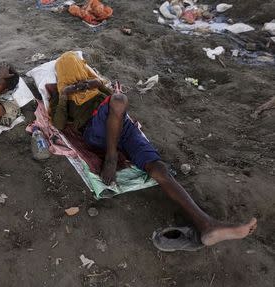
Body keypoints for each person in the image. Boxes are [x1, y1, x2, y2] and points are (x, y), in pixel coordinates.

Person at [46, 52, 257, 246]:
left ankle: (206, 225)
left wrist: (93, 83)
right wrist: (64, 95)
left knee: (160, 169)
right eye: (71, 69)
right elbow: (58, 123)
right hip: (95, 131)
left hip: (123, 128)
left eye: (78, 68)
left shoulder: (93, 86)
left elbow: (110, 95)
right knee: (119, 100)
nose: (77, 73)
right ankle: (111, 158)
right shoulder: (61, 96)